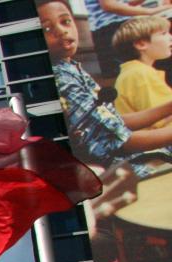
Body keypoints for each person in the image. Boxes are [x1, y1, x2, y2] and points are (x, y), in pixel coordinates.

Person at [39, 0, 172, 178]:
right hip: (126, 172)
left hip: (138, 160)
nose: (62, 30)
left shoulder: (71, 68)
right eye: (47, 29)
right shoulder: (62, 80)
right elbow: (116, 142)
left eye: (66, 22)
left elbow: (112, 121)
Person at [113, 16, 172, 127]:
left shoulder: (135, 71)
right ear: (141, 44)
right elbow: (161, 121)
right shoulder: (140, 74)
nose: (170, 37)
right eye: (164, 34)